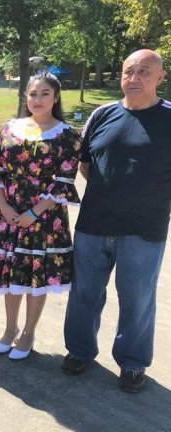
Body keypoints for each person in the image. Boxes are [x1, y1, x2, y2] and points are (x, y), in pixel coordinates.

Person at [62, 49, 170, 393]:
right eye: (128, 72)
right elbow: (86, 165)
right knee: (84, 293)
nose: (134, 78)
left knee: (137, 298)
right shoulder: (102, 115)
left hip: (144, 229)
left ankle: (132, 362)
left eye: (144, 72)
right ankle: (80, 350)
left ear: (160, 77)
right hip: (94, 223)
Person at [0, 72, 81, 360]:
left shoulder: (68, 135)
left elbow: (64, 180)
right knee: (11, 270)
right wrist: (4, 207)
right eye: (33, 94)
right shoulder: (9, 128)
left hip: (44, 216)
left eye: (45, 94)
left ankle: (28, 333)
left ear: (55, 97)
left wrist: (34, 212)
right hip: (8, 210)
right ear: (26, 97)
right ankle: (10, 329)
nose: (38, 99)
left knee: (35, 274)